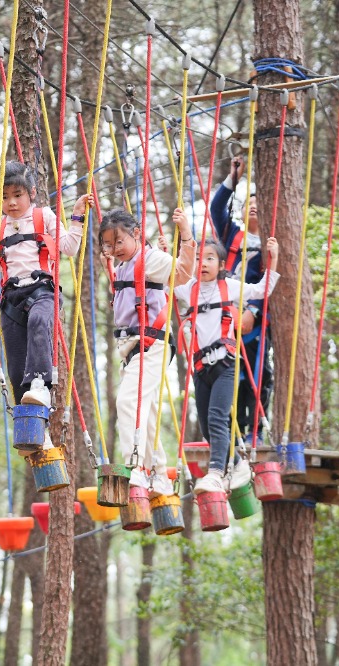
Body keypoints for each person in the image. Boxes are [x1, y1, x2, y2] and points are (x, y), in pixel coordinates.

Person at [0, 161, 88, 452]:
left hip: (42, 290)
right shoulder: (0, 228)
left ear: (32, 194)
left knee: (40, 322)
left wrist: (76, 217)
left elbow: (70, 248)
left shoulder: (44, 216)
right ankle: (34, 431)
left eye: (17, 195)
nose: (12, 203)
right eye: (5, 198)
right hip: (11, 298)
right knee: (15, 369)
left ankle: (40, 383)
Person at [100, 207, 196, 497]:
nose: (115, 249)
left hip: (151, 345)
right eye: (108, 244)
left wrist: (187, 235)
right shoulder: (122, 267)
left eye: (119, 242)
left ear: (137, 235)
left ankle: (136, 467)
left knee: (128, 402)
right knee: (149, 413)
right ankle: (159, 477)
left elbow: (181, 274)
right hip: (132, 348)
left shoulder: (149, 258)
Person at [175, 237, 279, 494]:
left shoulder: (230, 286)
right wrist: (171, 256)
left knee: (217, 417)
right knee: (207, 424)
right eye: (199, 258)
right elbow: (165, 285)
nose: (203, 263)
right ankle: (235, 463)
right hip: (201, 368)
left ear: (221, 264)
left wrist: (273, 259)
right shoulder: (188, 289)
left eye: (210, 258)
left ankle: (216, 472)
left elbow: (260, 291)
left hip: (225, 364)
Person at [210, 155, 272, 439]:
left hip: (256, 316)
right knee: (228, 372)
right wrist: (233, 179)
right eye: (250, 205)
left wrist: (254, 311)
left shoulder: (273, 240)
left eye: (260, 205)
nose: (255, 208)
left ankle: (255, 429)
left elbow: (270, 277)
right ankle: (231, 430)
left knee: (257, 373)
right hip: (227, 311)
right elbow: (216, 207)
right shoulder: (232, 234)